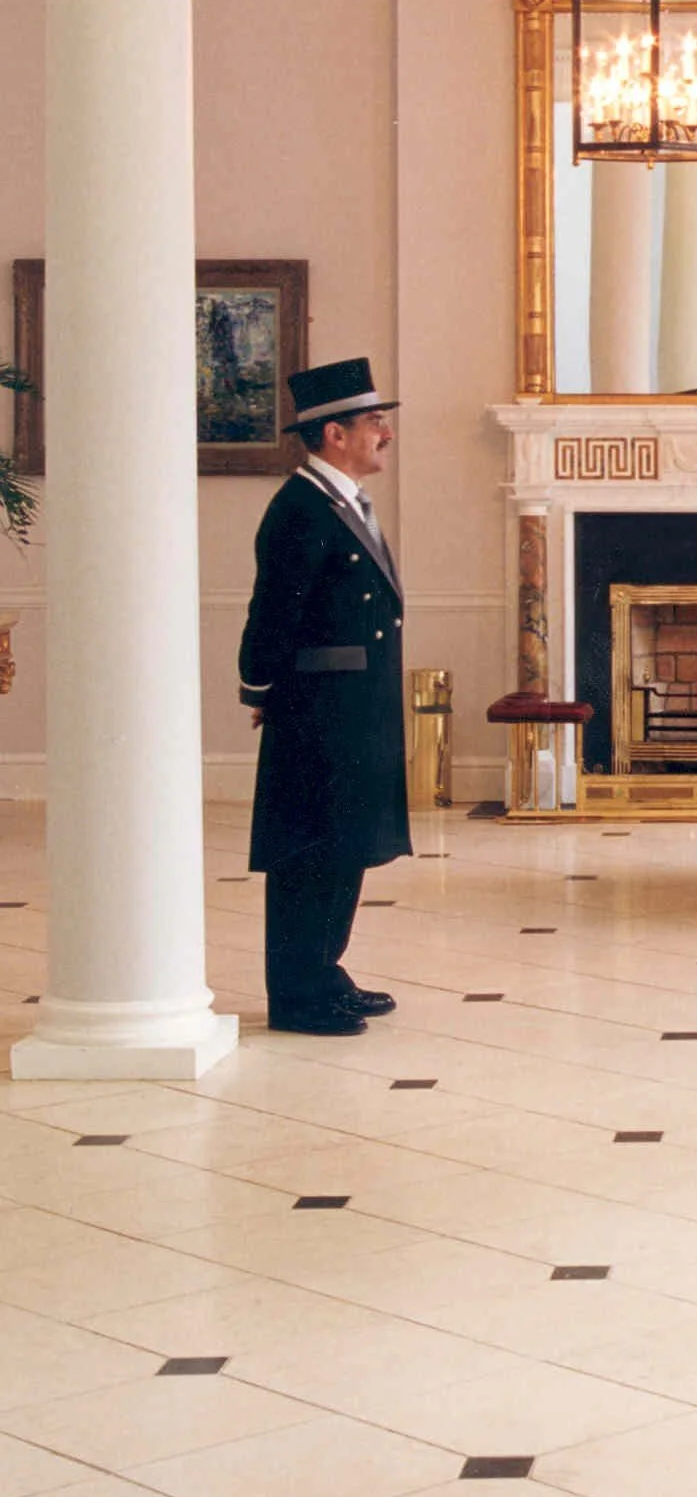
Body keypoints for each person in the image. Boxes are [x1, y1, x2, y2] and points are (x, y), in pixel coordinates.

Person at [238, 357, 410, 1034]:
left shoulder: (340, 500)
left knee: (343, 844)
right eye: (374, 422)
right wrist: (262, 687)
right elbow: (273, 613)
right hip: (318, 713)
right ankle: (298, 994)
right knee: (309, 851)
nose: (385, 434)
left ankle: (324, 972)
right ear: (334, 433)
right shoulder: (300, 508)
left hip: (351, 712)